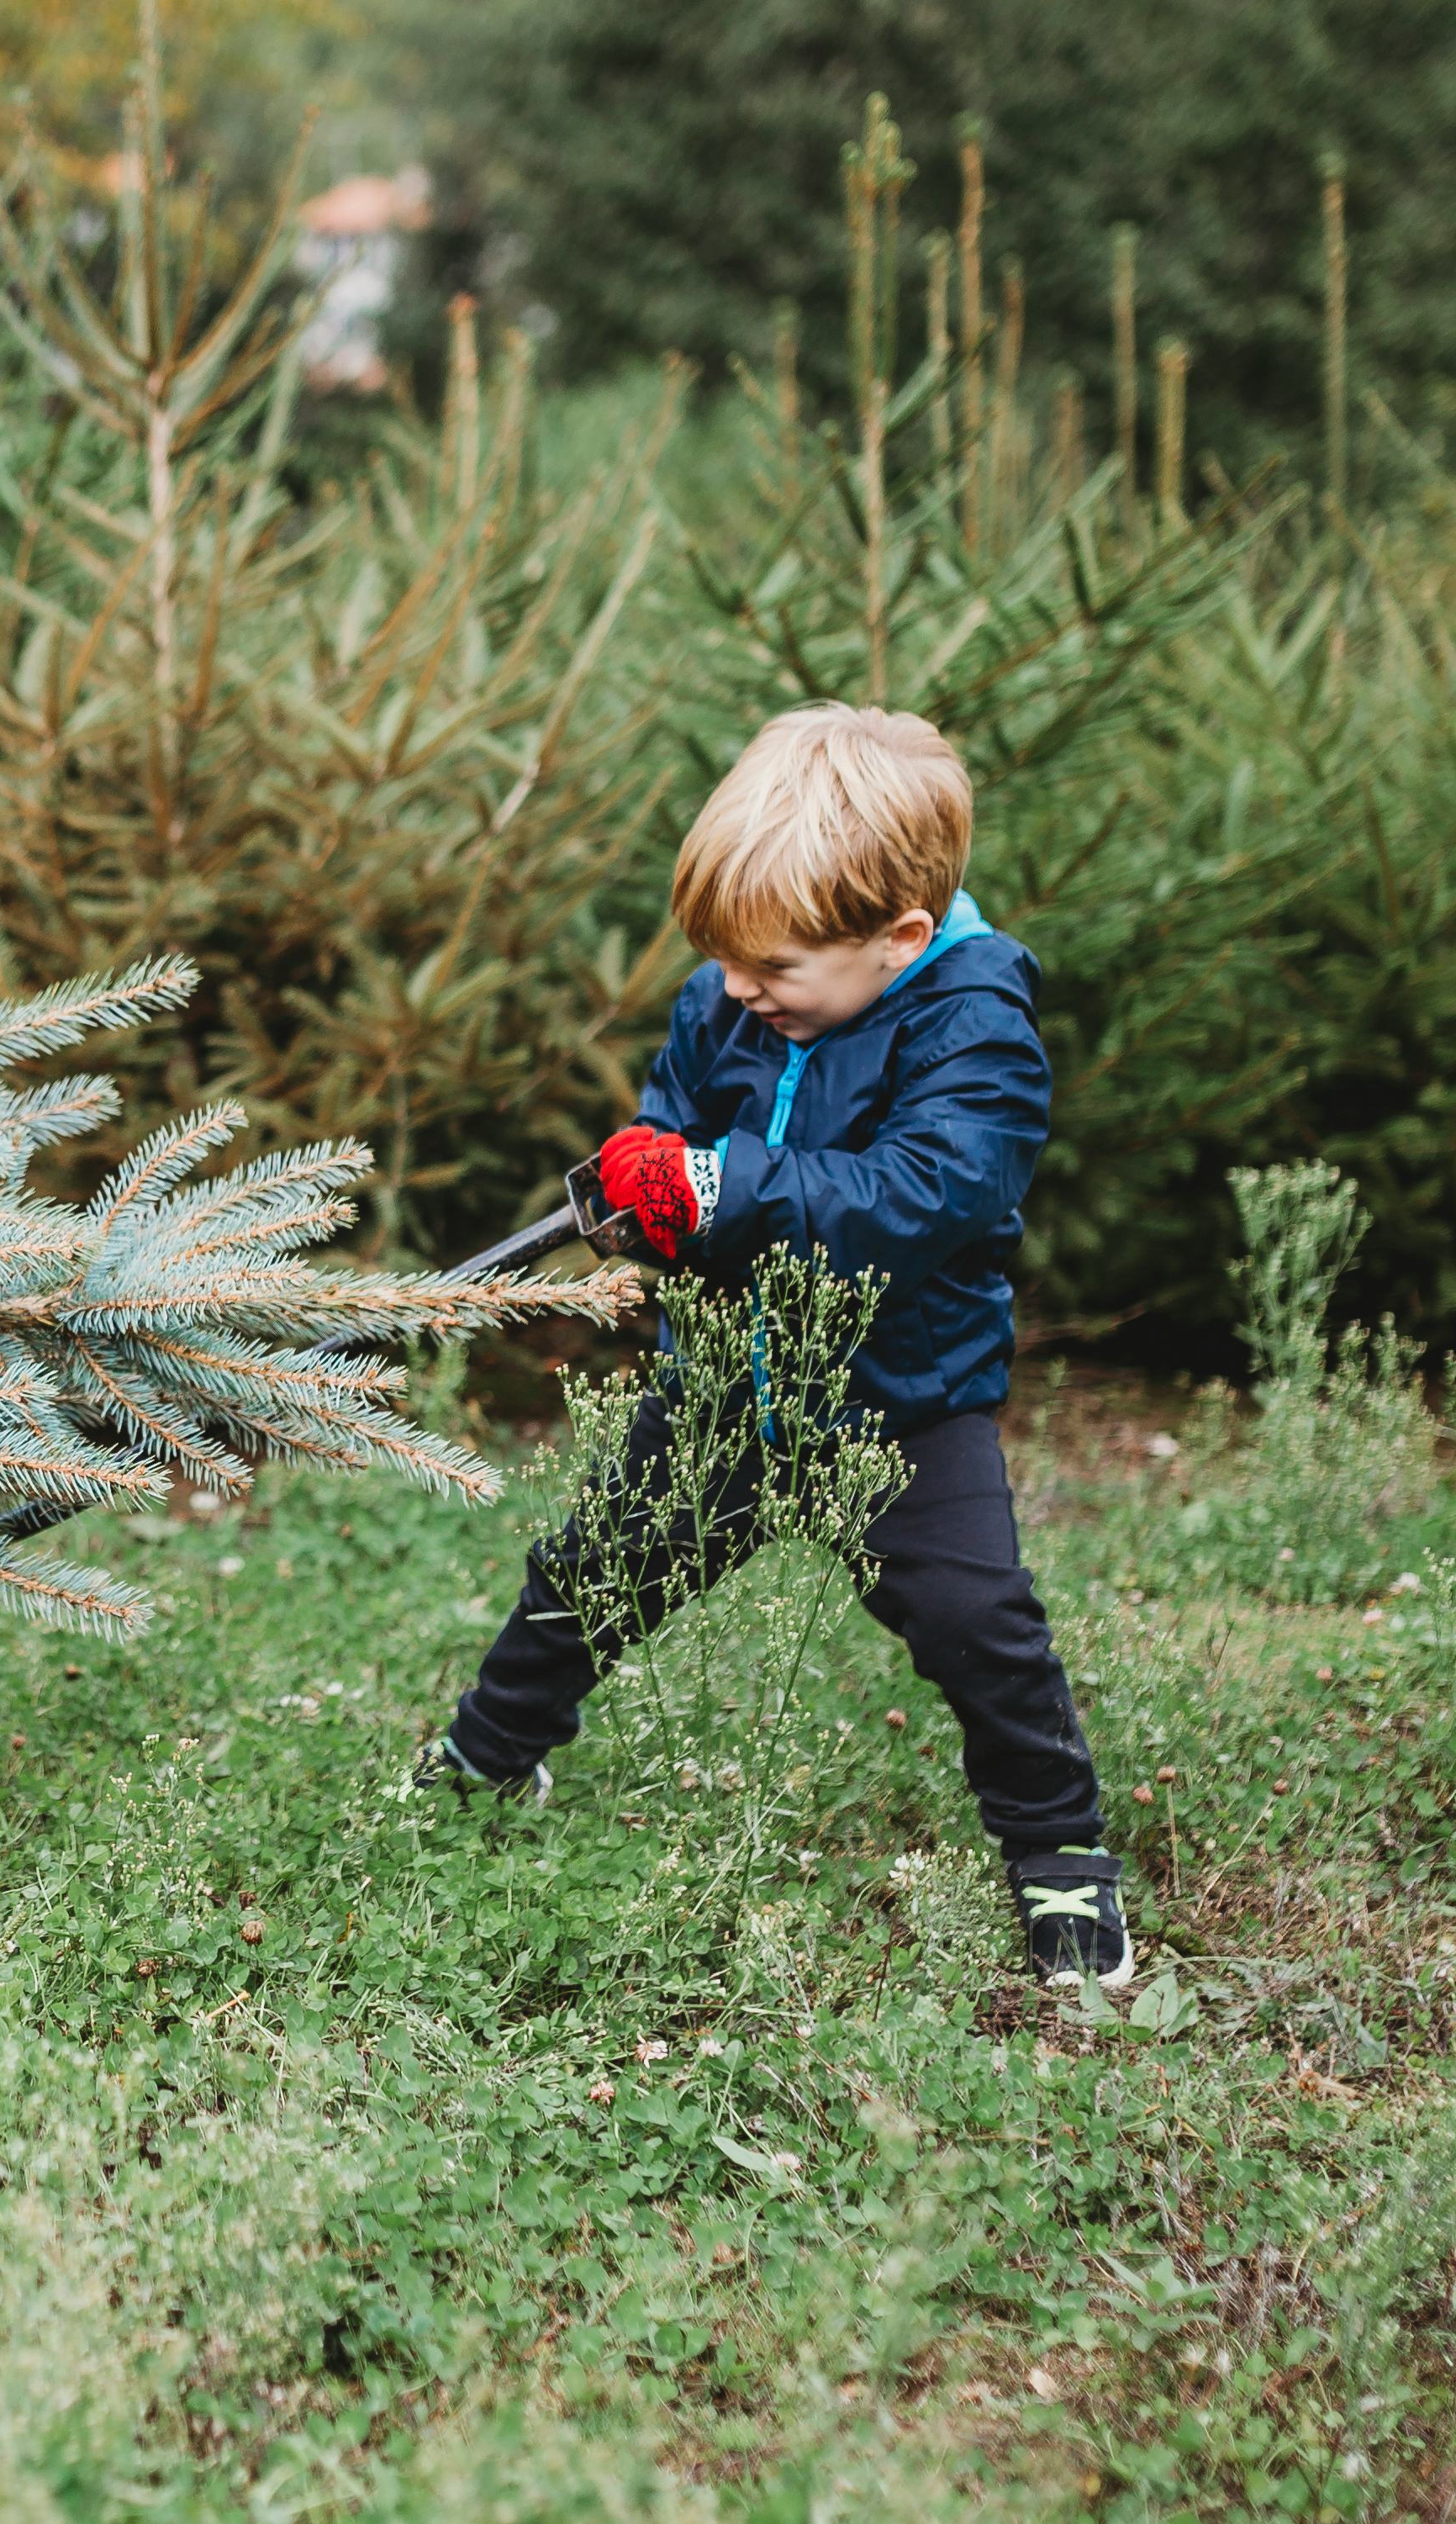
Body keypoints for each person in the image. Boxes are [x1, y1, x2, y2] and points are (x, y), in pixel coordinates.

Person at [409, 701, 1140, 2003]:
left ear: (899, 939)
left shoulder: (973, 1025)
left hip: (898, 1405)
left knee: (980, 1626)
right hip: (726, 1384)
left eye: (775, 968)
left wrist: (720, 1187)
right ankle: (490, 1755)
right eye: (727, 963)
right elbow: (678, 1129)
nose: (742, 991)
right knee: (587, 1574)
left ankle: (1062, 1857)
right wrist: (651, 1184)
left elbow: (923, 1195)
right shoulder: (727, 1000)